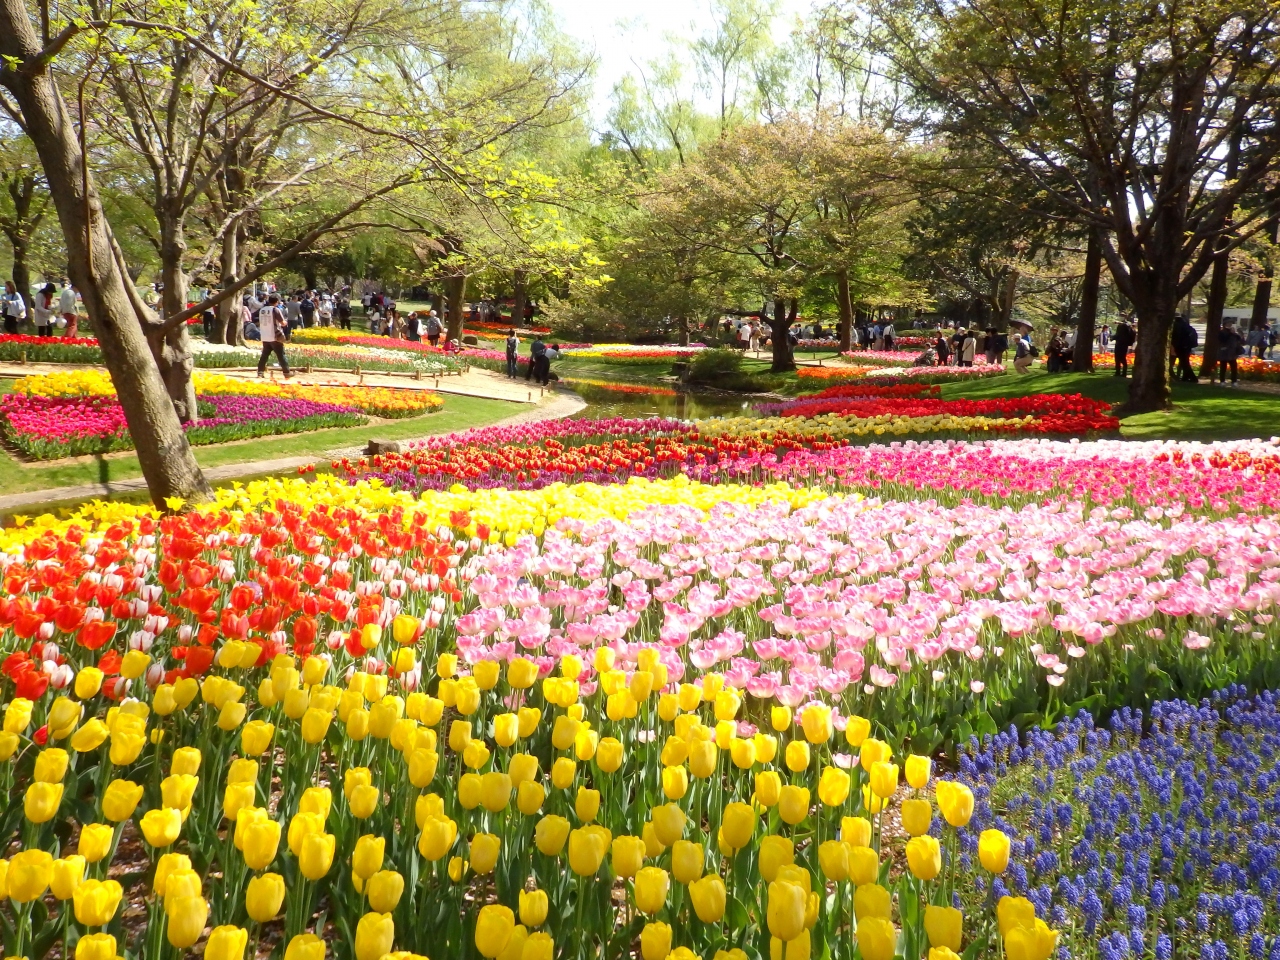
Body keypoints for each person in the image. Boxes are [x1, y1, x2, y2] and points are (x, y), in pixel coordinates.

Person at [257, 294, 291, 378]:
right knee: (281, 355)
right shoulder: (275, 310)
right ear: (277, 301)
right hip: (274, 335)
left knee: (264, 355)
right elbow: (282, 323)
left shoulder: (262, 310)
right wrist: (286, 322)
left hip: (265, 335)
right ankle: (286, 372)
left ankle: (260, 372)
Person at [1171, 314, 1198, 383]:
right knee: (1185, 362)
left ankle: (1193, 378)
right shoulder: (1186, 325)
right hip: (1187, 346)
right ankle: (1185, 377)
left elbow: (1175, 337)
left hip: (1180, 346)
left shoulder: (1176, 326)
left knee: (1184, 363)